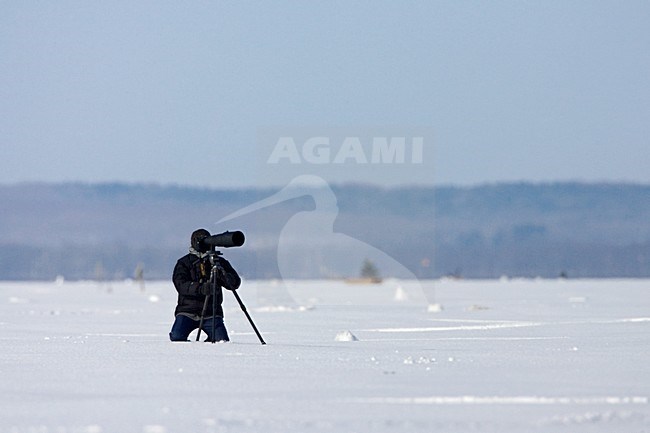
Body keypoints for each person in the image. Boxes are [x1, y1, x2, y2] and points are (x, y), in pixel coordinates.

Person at [169, 228, 241, 342]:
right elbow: (180, 285)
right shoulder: (184, 263)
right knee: (177, 337)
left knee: (221, 341)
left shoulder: (218, 262)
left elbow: (235, 283)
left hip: (211, 312)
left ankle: (208, 348)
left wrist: (220, 273)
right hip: (187, 311)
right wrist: (201, 289)